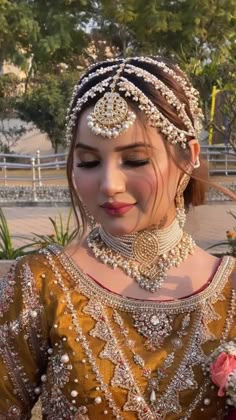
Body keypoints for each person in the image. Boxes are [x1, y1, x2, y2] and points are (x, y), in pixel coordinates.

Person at [0, 56, 235, 420]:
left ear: (188, 157)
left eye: (136, 160)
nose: (109, 184)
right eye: (90, 163)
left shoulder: (230, 293)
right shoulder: (40, 284)